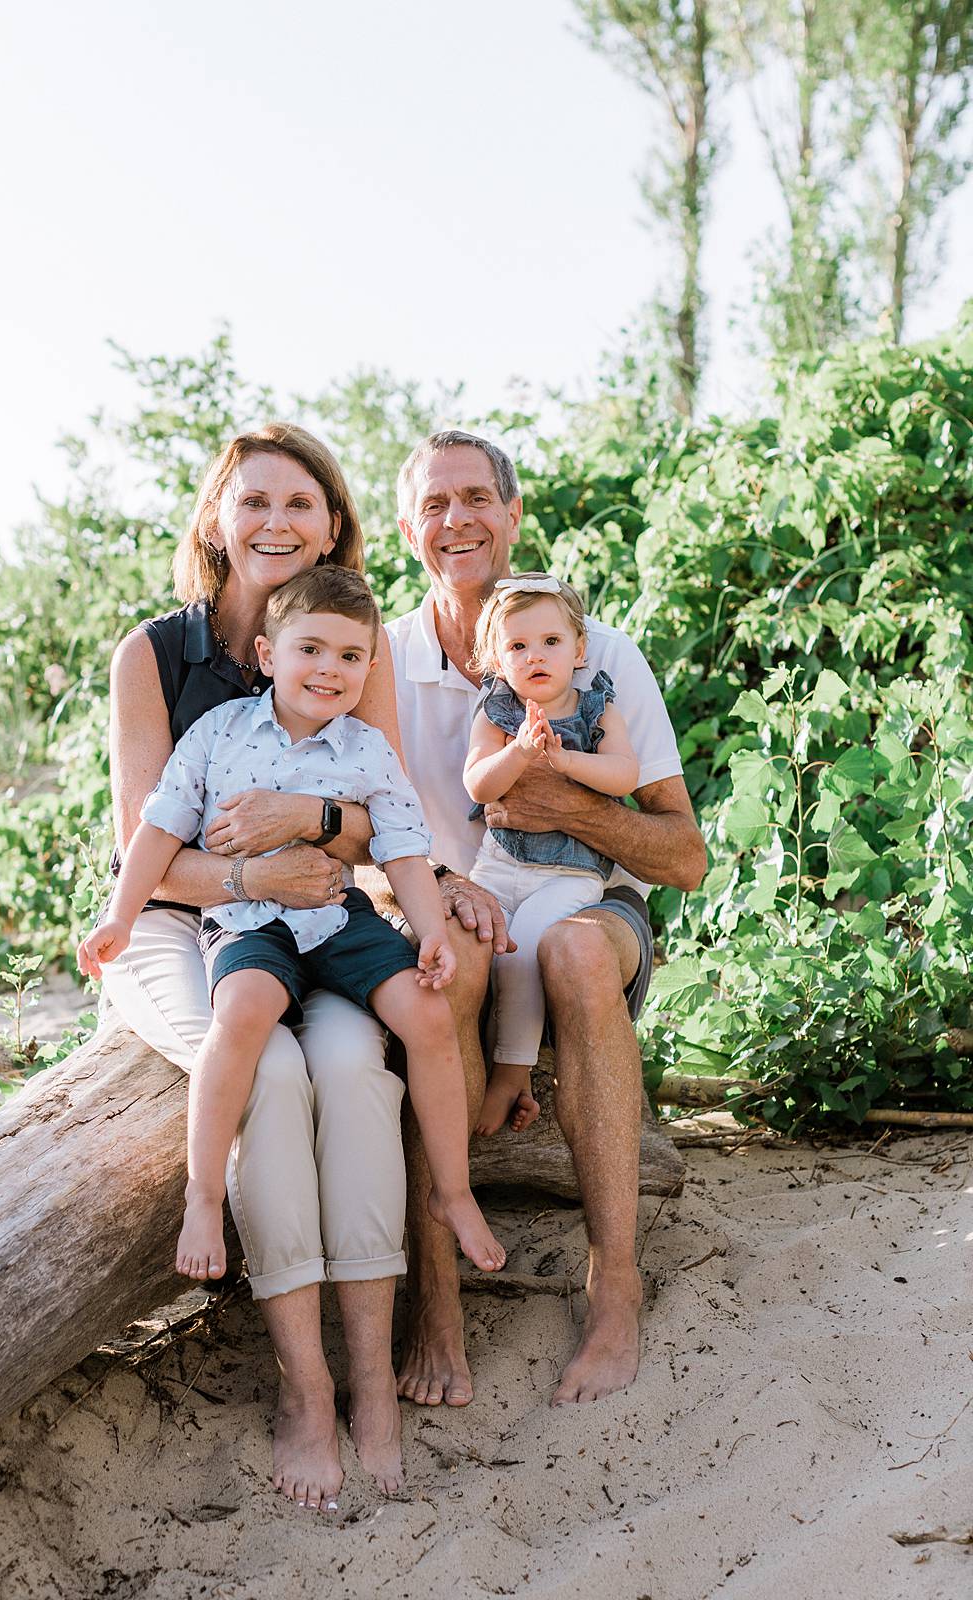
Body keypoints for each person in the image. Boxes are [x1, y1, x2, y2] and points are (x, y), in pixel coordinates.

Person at [97, 423, 415, 1507]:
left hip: (308, 926)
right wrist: (255, 881)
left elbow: (385, 820)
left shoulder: (342, 636)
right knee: (266, 1074)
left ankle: (372, 1377)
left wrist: (313, 819)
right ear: (216, 520)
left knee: (350, 1067)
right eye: (254, 501)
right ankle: (305, 1387)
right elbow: (144, 847)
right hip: (174, 920)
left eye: (302, 503)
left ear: (333, 524)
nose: (277, 521)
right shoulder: (152, 654)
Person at [385, 430, 706, 1409]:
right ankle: (433, 1295)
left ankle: (614, 1280)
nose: (459, 520)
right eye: (436, 505)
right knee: (455, 962)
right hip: (444, 899)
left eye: (478, 497)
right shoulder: (382, 659)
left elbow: (685, 857)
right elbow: (353, 824)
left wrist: (572, 807)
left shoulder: (595, 652)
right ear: (409, 531)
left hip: (585, 902)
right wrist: (433, 886)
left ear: (514, 514)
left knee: (569, 951)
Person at [79, 566, 505, 1288]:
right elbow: (156, 827)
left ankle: (453, 1191)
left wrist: (430, 930)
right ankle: (204, 1196)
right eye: (310, 650)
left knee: (428, 1016)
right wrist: (120, 916)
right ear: (269, 656)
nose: (328, 670)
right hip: (246, 918)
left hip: (336, 917)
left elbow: (401, 848)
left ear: (370, 667)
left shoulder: (365, 749)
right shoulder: (219, 733)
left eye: (348, 657)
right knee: (242, 1016)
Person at [463, 574, 639, 1135]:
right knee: (475, 955)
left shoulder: (595, 708)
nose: (535, 656)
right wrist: (518, 751)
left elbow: (623, 775)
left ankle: (509, 1078)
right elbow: (478, 785)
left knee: (524, 949)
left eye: (551, 642)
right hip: (497, 865)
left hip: (568, 874)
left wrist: (566, 763)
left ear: (579, 649)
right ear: (496, 658)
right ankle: (499, 1073)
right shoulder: (497, 712)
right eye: (517, 646)